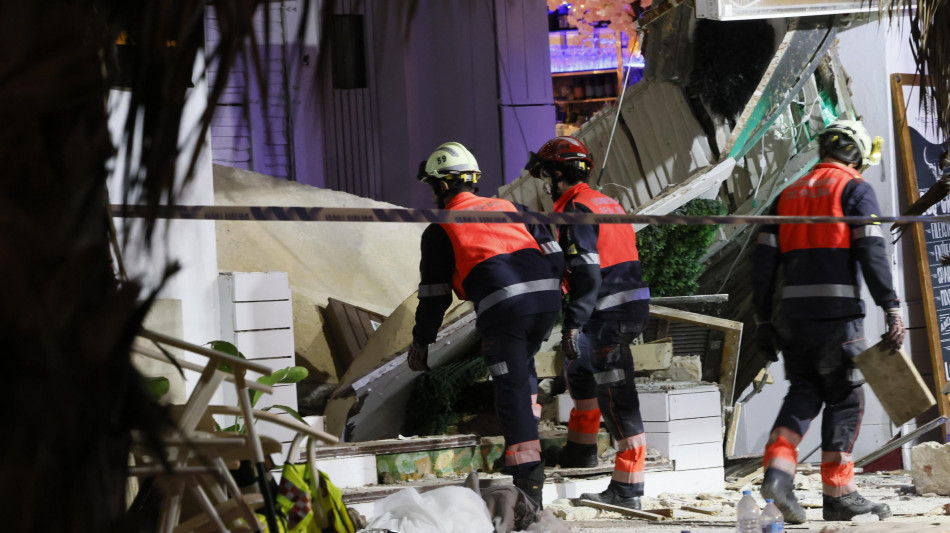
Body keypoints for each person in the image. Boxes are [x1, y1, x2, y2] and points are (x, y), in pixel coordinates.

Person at [752, 119, 904, 523]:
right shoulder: (854, 190)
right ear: (854, 153)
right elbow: (872, 252)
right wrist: (890, 306)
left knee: (804, 390)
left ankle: (779, 475)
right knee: (844, 397)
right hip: (838, 319)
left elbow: (762, 264)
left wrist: (764, 320)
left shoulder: (786, 195)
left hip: (792, 319)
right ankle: (839, 493)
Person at [408, 141, 563, 508]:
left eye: (432, 187)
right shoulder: (514, 208)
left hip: (505, 310)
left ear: (443, 186)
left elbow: (434, 295)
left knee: (508, 391)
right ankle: (520, 448)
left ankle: (528, 485)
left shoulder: (441, 228)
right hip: (546, 302)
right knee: (521, 371)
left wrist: (421, 341)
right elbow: (554, 258)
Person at [525, 136, 651, 511]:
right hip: (619, 307)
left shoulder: (576, 209)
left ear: (560, 173)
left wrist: (573, 323)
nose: (545, 182)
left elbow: (587, 273)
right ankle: (581, 451)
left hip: (607, 312)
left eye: (547, 173)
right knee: (579, 370)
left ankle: (628, 490)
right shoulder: (603, 201)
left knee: (617, 399)